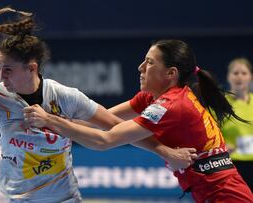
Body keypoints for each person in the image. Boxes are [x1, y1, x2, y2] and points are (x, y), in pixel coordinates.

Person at [0, 7, 197, 203]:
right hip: (17, 197)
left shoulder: (64, 96)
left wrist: (165, 151)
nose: (1, 76)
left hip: (63, 197)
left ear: (31, 68)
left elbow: (116, 127)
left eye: (8, 69)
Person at [24, 39, 253, 202]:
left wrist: (52, 122)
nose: (140, 67)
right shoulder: (151, 98)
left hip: (226, 195)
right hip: (207, 192)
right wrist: (53, 122)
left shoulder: (171, 104)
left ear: (170, 74)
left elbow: (105, 140)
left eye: (150, 62)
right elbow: (105, 120)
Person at [221, 57, 253, 191]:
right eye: (235, 73)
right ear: (229, 77)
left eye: (243, 73)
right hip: (231, 164)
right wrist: (221, 145)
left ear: (250, 77)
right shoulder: (220, 104)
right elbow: (208, 130)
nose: (239, 77)